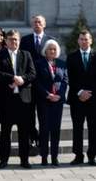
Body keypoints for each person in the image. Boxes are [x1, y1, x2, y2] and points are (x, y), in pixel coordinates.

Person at [0, 30, 36, 169]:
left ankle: (24, 160)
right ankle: (3, 160)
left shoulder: (26, 55)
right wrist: (12, 78)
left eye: (16, 39)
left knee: (24, 132)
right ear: (5, 41)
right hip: (7, 100)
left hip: (24, 100)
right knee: (5, 131)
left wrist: (21, 79)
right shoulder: (0, 56)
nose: (14, 42)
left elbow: (32, 73)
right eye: (11, 39)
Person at [20, 14, 55, 148]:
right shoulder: (25, 40)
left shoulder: (50, 40)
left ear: (44, 24)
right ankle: (32, 136)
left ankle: (43, 137)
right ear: (31, 24)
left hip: (45, 83)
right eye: (35, 22)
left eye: (39, 22)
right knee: (29, 113)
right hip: (29, 83)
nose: (37, 24)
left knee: (44, 113)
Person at [35, 40, 68, 166]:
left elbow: (65, 81)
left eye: (54, 49)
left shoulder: (62, 64)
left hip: (57, 102)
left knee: (55, 130)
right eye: (50, 49)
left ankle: (55, 157)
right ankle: (44, 157)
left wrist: (59, 95)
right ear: (45, 50)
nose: (52, 51)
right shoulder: (39, 63)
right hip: (44, 101)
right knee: (44, 130)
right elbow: (37, 82)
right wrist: (47, 94)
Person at [66, 30, 96, 165]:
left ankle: (92, 155)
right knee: (77, 128)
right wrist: (80, 92)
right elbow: (70, 78)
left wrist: (89, 93)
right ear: (78, 41)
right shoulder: (71, 57)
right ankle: (78, 155)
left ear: (91, 41)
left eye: (86, 39)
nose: (84, 41)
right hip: (77, 99)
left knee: (94, 128)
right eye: (81, 39)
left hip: (94, 99)